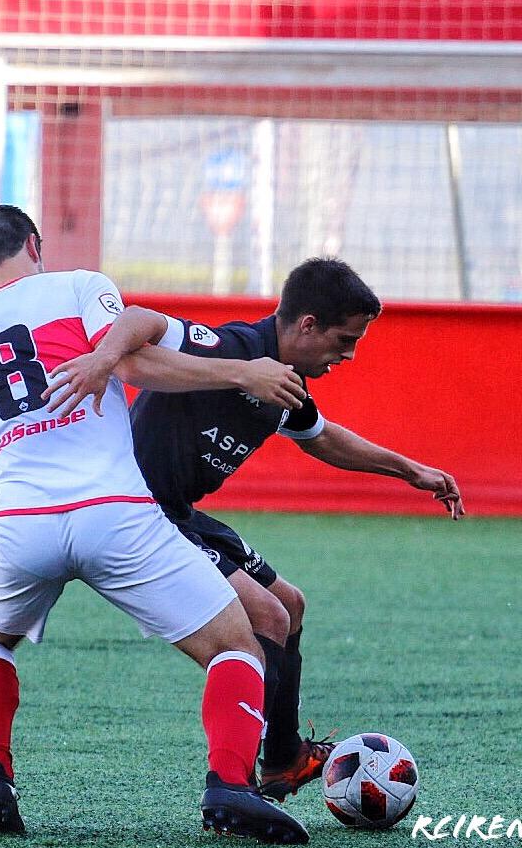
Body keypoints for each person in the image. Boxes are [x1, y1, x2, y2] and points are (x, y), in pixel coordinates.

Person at [0, 204, 317, 844]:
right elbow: (136, 364)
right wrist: (242, 371)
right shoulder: (81, 287)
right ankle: (227, 786)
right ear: (34, 243)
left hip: (18, 520)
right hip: (116, 514)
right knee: (237, 644)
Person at [124, 257, 464, 801]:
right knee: (268, 616)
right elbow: (140, 331)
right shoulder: (232, 349)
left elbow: (324, 438)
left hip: (179, 513)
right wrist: (106, 360)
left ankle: (282, 760)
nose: (348, 355)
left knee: (291, 603)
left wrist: (411, 471)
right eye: (343, 340)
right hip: (138, 515)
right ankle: (234, 783)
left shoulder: (286, 383)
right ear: (306, 324)